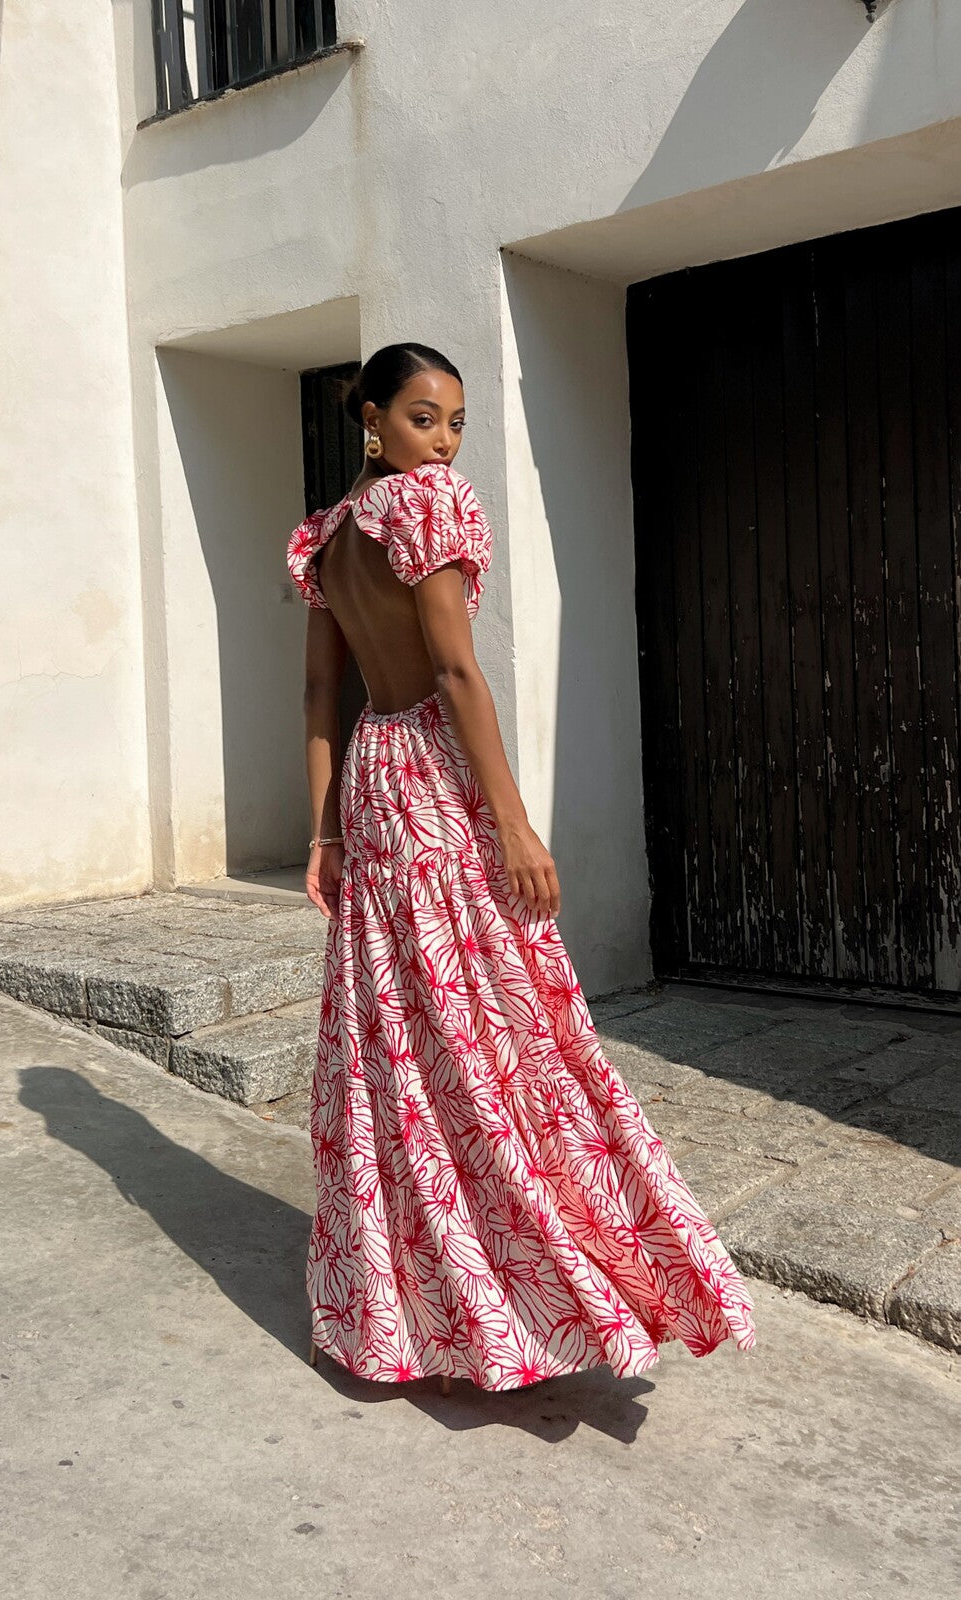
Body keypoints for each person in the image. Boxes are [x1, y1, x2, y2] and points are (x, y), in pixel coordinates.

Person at [286, 342, 756, 1393]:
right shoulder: (423, 507)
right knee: (503, 1023)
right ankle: (534, 1272)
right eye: (420, 417)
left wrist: (321, 829)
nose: (443, 441)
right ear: (370, 417)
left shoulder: (324, 537)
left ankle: (434, 1290)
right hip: (435, 774)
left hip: (372, 778)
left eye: (454, 421)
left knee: (405, 1032)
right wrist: (512, 823)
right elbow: (453, 669)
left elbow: (325, 700)